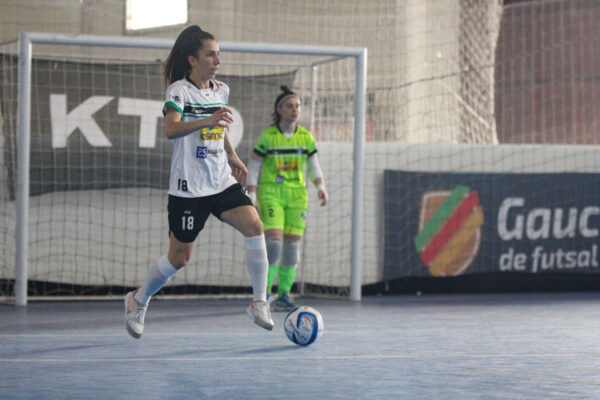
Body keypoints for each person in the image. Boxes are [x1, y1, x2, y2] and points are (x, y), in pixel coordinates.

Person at [124, 25, 273, 339]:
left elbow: (220, 128)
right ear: (192, 59)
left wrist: (232, 155)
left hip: (220, 181)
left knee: (255, 226)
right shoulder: (178, 91)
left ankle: (259, 301)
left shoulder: (221, 89)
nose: (217, 59)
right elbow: (171, 130)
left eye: (219, 53)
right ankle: (138, 299)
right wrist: (208, 119)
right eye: (210, 54)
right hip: (188, 188)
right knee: (179, 258)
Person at [246, 86, 328, 312]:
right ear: (279, 109)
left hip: (297, 196)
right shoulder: (268, 137)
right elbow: (253, 168)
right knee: (273, 245)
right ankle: (262, 295)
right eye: (290, 106)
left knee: (291, 247)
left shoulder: (305, 137)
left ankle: (283, 295)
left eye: (298, 106)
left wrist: (320, 186)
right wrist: (252, 193)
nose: (295, 110)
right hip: (272, 193)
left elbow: (313, 166)